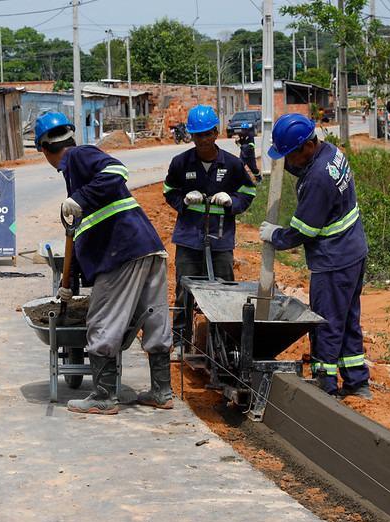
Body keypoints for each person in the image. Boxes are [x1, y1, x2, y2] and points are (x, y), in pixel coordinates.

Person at [35, 112, 173, 415]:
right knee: (154, 318)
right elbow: (87, 229)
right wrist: (70, 282)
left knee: (102, 320)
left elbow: (116, 171)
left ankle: (103, 395)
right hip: (148, 247)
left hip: (122, 252)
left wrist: (80, 197)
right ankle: (162, 392)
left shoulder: (77, 157)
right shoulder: (75, 168)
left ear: (45, 149)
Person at [259, 113, 371, 399]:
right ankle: (357, 382)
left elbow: (303, 231)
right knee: (347, 319)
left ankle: (325, 385)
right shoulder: (331, 152)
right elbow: (304, 170)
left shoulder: (319, 179)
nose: (287, 162)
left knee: (327, 322)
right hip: (352, 251)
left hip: (334, 260)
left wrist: (274, 235)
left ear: (307, 147)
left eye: (289, 155)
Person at [163, 105, 257, 349]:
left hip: (220, 238)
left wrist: (232, 202)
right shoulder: (180, 163)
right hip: (189, 238)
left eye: (207, 134)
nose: (203, 140)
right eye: (197, 135)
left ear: (216, 133)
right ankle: (181, 340)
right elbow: (169, 191)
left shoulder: (233, 165)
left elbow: (248, 191)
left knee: (224, 290)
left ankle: (226, 341)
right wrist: (183, 201)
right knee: (185, 290)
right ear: (191, 136)